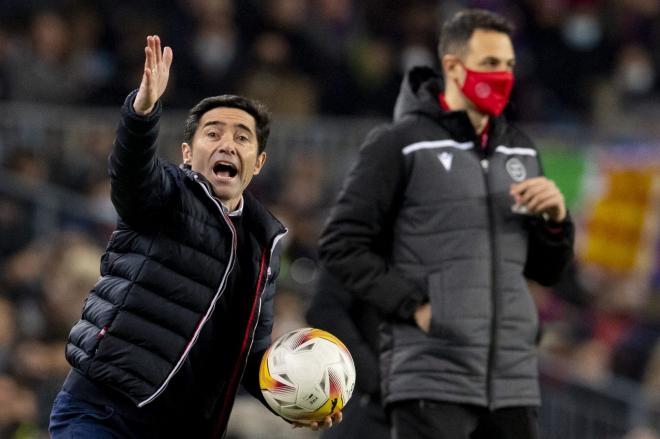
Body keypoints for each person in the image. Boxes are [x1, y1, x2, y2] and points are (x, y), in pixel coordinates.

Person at [48, 35, 340, 438]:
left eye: (242, 137)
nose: (227, 144)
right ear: (187, 152)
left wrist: (297, 397)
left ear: (258, 163)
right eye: (213, 133)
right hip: (104, 411)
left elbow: (250, 355)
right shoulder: (167, 194)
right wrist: (142, 112)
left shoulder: (263, 244)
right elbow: (131, 174)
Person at [319, 9, 574, 439]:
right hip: (430, 376)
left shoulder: (522, 150)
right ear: (454, 67)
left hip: (513, 381)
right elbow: (341, 244)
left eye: (509, 65)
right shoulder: (400, 143)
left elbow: (546, 271)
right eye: (490, 64)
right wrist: (414, 306)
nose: (504, 76)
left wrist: (556, 222)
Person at [306, 268, 390, 439]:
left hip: (434, 397)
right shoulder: (356, 244)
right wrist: (372, 377)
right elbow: (324, 309)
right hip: (368, 401)